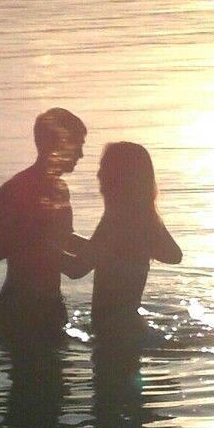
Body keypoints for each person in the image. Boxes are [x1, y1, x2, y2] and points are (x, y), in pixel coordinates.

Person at [56, 141, 182, 352]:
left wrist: (37, 246)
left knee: (110, 384)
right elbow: (173, 255)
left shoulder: (114, 220)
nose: (98, 175)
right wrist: (68, 240)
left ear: (118, 176)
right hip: (131, 326)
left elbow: (76, 269)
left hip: (113, 333)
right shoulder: (145, 218)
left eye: (103, 168)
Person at [0, 107, 87, 345]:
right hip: (20, 310)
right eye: (78, 144)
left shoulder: (60, 189)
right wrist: (25, 245)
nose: (81, 154)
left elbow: (64, 237)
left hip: (51, 306)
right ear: (60, 144)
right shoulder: (16, 190)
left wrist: (104, 245)